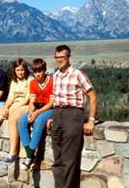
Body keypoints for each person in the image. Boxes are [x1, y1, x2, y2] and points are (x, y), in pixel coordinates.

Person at [47, 45, 97, 188]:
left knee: (69, 160)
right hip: (57, 114)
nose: (59, 60)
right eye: (57, 57)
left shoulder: (78, 74)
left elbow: (93, 97)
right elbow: (56, 99)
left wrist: (91, 120)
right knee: (57, 160)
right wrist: (53, 116)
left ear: (69, 57)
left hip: (73, 114)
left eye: (62, 57)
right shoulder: (55, 75)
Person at [0, 58, 32, 164]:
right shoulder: (14, 81)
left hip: (25, 106)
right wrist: (6, 107)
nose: (20, 72)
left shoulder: (30, 80)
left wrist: (12, 108)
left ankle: (13, 153)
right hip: (13, 105)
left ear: (26, 70)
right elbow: (10, 98)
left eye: (22, 69)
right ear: (14, 71)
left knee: (13, 118)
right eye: (17, 70)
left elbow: (27, 99)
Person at [18, 58, 54, 170]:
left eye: (40, 71)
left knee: (39, 121)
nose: (37, 74)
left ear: (45, 70)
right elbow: (32, 101)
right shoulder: (33, 83)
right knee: (22, 121)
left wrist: (36, 113)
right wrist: (31, 112)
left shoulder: (52, 81)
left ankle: (29, 156)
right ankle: (30, 152)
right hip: (37, 107)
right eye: (35, 72)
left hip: (50, 108)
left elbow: (51, 103)